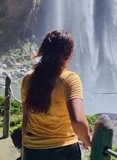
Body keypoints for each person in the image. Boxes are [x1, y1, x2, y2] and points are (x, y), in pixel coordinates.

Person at [21, 30, 92, 160]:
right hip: (64, 151)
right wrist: (87, 139)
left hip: (32, 151)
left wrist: (24, 148)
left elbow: (26, 117)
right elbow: (77, 121)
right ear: (69, 55)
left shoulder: (28, 78)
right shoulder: (70, 79)